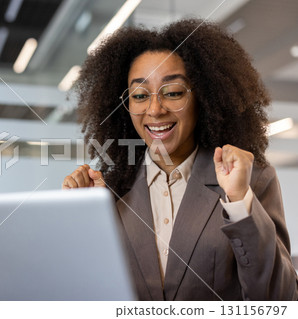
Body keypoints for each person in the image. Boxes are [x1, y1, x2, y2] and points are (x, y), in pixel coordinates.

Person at [62, 19, 298, 301]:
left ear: (205, 98)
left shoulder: (251, 179)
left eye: (173, 92)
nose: (155, 109)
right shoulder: (110, 191)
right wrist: (89, 220)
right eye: (139, 95)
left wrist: (239, 201)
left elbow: (280, 300)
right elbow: (93, 296)